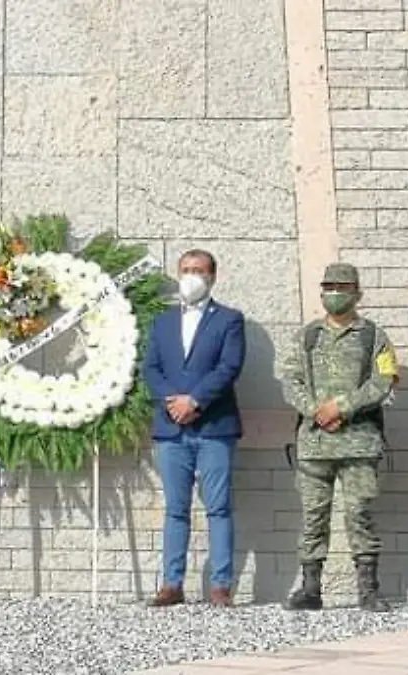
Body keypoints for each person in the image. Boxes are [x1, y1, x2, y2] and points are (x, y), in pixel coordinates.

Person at [280, 263, 398, 612]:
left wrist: (341, 408)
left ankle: (368, 590)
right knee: (313, 516)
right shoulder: (306, 336)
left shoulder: (374, 336)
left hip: (359, 442)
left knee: (360, 513)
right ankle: (310, 589)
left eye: (342, 287)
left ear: (357, 293)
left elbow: (384, 381)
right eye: (328, 286)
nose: (334, 293)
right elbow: (290, 381)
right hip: (315, 444)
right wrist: (317, 410)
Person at [142, 249, 245, 608]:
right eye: (185, 270)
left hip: (215, 427)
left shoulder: (229, 319)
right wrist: (173, 402)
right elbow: (151, 368)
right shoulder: (162, 322)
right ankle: (172, 584)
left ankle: (221, 585)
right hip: (171, 429)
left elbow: (229, 367)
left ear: (212, 276)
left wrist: (196, 401)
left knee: (218, 507)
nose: (191, 276)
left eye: (198, 270)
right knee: (176, 508)